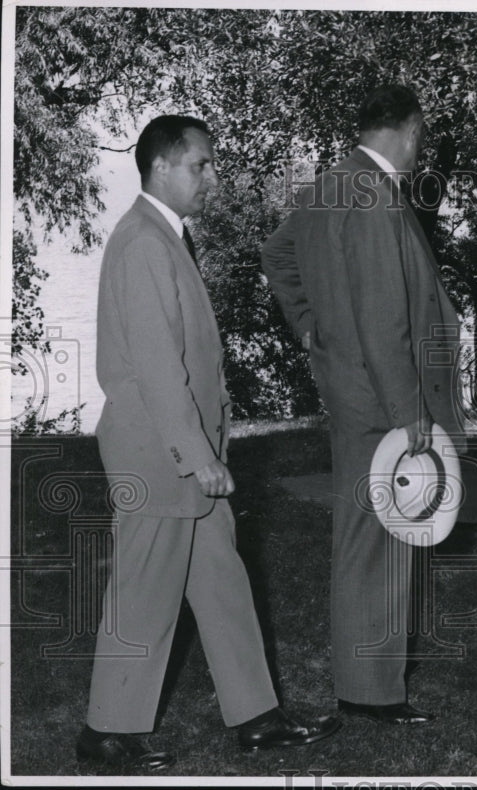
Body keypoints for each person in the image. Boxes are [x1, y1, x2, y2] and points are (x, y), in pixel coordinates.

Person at [77, 114, 340, 772]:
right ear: (162, 167)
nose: (211, 178)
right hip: (159, 454)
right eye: (202, 165)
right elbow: (159, 367)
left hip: (186, 455)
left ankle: (256, 717)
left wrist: (204, 452)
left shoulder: (167, 238)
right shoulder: (141, 242)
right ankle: (106, 732)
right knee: (142, 590)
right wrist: (198, 457)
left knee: (221, 583)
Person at [261, 85, 465, 724]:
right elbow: (383, 321)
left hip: (351, 393)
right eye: (421, 136)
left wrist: (309, 327)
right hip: (384, 402)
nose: (421, 148)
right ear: (409, 130)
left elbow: (277, 255)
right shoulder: (373, 196)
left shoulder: (328, 184)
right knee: (385, 543)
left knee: (364, 539)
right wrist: (412, 413)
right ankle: (373, 695)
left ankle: (365, 687)